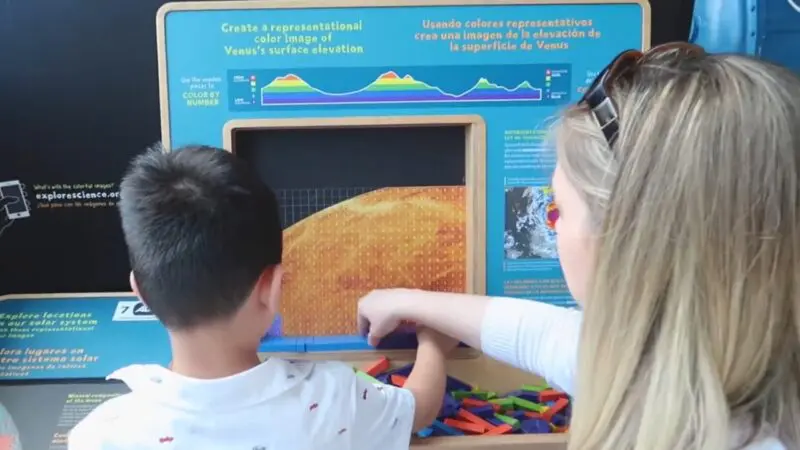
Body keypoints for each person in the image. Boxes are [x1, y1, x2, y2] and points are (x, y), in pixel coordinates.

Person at [358, 43, 800, 450]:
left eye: (559, 212)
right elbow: (541, 334)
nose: (555, 231)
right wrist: (407, 301)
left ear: (628, 246)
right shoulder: (670, 363)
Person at [68, 145, 457, 449]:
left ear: (140, 293)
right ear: (272, 289)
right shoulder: (334, 396)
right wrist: (434, 342)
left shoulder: (99, 435)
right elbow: (418, 409)